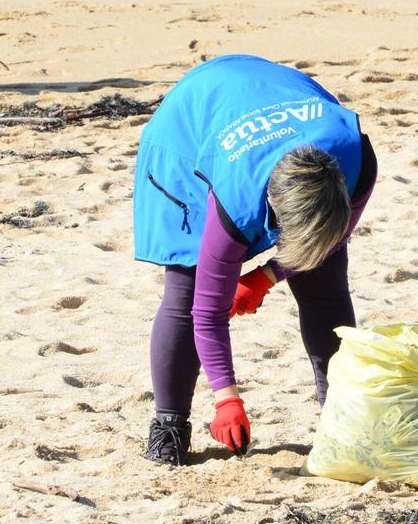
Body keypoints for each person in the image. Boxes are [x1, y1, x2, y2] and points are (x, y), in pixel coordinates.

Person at [133, 54, 376, 466]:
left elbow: (327, 241)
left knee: (324, 283)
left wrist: (266, 274)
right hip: (187, 133)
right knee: (187, 288)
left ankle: (340, 416)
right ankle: (169, 425)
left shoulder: (356, 161)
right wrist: (226, 398)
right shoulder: (237, 203)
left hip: (273, 96)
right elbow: (207, 313)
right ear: (271, 212)